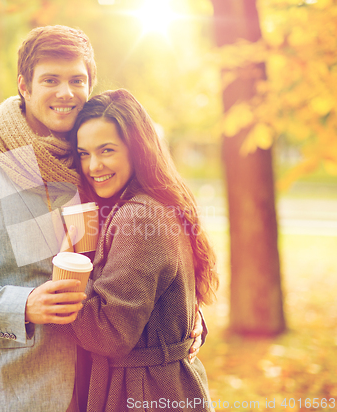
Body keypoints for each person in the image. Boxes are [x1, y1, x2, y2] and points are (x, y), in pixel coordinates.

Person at [0, 26, 204, 412]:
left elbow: (137, 263)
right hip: (9, 388)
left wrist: (180, 319)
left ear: (90, 84)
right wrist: (22, 305)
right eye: (50, 80)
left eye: (76, 80)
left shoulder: (98, 163)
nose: (65, 92)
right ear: (25, 85)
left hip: (99, 387)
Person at [57, 89, 219, 412]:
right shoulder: (152, 203)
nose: (93, 165)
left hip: (143, 393)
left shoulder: (138, 215)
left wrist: (64, 279)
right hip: (165, 385)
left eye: (107, 150)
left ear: (137, 150)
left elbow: (110, 333)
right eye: (84, 154)